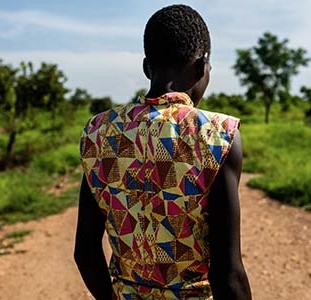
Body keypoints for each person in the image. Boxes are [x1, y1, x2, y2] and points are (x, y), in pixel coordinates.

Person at [74, 4, 251, 299]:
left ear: (147, 67)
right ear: (202, 66)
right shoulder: (216, 136)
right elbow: (227, 272)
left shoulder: (100, 132)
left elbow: (85, 252)